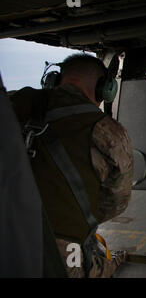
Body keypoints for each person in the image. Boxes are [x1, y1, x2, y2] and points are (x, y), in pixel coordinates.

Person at [9, 53, 133, 277]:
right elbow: (116, 203)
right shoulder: (108, 130)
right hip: (57, 256)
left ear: (55, 81)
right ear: (103, 89)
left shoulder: (13, 104)